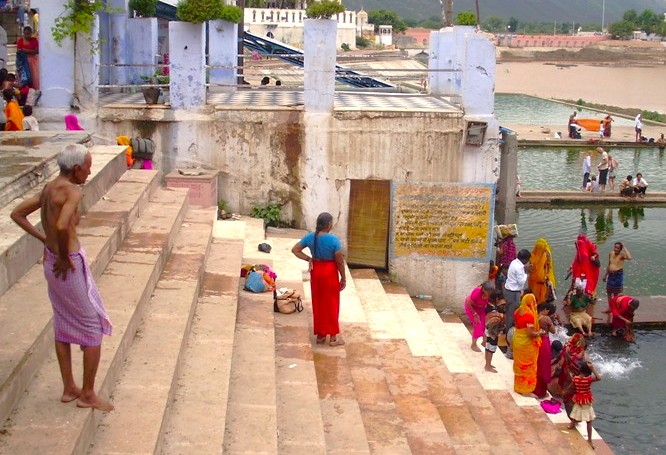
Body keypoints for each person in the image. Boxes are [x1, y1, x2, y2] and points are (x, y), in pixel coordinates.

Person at [10, 144, 114, 411]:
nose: (89, 173)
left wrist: (46, 242)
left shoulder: (49, 189)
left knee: (63, 321)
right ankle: (87, 393)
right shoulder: (73, 191)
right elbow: (61, 224)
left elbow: (17, 214)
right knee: (92, 327)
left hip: (51, 262)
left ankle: (69, 387)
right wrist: (66, 257)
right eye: (88, 168)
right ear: (77, 168)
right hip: (66, 266)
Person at [292, 212, 346, 346]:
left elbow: (295, 250)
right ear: (328, 225)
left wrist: (309, 259)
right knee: (332, 303)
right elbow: (339, 262)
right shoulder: (333, 240)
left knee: (319, 303)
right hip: (329, 272)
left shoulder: (310, 237)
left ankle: (321, 336)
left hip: (316, 271)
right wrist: (343, 278)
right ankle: (333, 338)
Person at [512, 291, 543, 395]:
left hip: (517, 340)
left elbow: (517, 325)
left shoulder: (517, 311)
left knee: (519, 364)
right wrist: (540, 332)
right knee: (527, 366)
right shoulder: (530, 315)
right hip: (526, 344)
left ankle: (518, 386)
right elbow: (530, 334)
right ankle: (526, 390)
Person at [567, 362, 601, 449]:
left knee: (576, 411)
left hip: (578, 399)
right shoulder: (588, 379)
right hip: (586, 400)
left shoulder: (575, 379)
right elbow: (599, 378)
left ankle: (572, 424)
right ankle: (589, 439)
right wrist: (593, 369)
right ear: (588, 372)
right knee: (589, 421)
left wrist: (565, 392)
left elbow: (570, 388)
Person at [558, 333, 590, 416]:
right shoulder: (583, 353)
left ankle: (571, 417)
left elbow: (561, 363)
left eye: (572, 337)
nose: (570, 337)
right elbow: (588, 366)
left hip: (567, 376)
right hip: (579, 378)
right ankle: (576, 417)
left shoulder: (568, 348)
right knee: (576, 397)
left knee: (566, 396)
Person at [503, 249, 532, 336]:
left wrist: (524, 270)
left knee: (509, 312)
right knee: (512, 314)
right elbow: (521, 282)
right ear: (525, 259)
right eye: (527, 260)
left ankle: (507, 329)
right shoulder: (519, 268)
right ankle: (508, 333)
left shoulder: (514, 262)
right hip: (513, 293)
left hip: (508, 290)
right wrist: (526, 272)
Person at [464, 280, 495, 352]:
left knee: (484, 325)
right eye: (488, 292)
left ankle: (484, 342)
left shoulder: (489, 293)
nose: (490, 294)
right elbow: (469, 302)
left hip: (480, 308)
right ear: (484, 290)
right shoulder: (477, 292)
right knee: (477, 325)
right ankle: (473, 344)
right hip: (471, 308)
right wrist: (475, 314)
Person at [534, 302, 557, 398]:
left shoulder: (535, 316)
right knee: (544, 364)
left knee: (537, 363)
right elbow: (553, 331)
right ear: (546, 310)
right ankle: (541, 391)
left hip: (536, 340)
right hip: (544, 341)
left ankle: (534, 387)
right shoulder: (546, 318)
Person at [528, 238, 556, 305]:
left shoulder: (544, 256)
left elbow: (547, 268)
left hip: (540, 281)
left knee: (540, 296)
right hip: (537, 282)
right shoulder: (533, 257)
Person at [483, 291, 505, 373]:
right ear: (497, 299)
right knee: (491, 348)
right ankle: (488, 366)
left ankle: (487, 363)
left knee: (488, 346)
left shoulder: (488, 305)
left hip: (488, 329)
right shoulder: (493, 310)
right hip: (493, 331)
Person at [16, 26, 39, 90]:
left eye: (28, 34)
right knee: (24, 77)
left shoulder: (34, 40)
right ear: (23, 33)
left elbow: (37, 51)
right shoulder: (20, 41)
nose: (27, 36)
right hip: (23, 62)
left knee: (34, 77)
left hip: (33, 62)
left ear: (31, 33)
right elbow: (18, 51)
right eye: (25, 34)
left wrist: (26, 51)